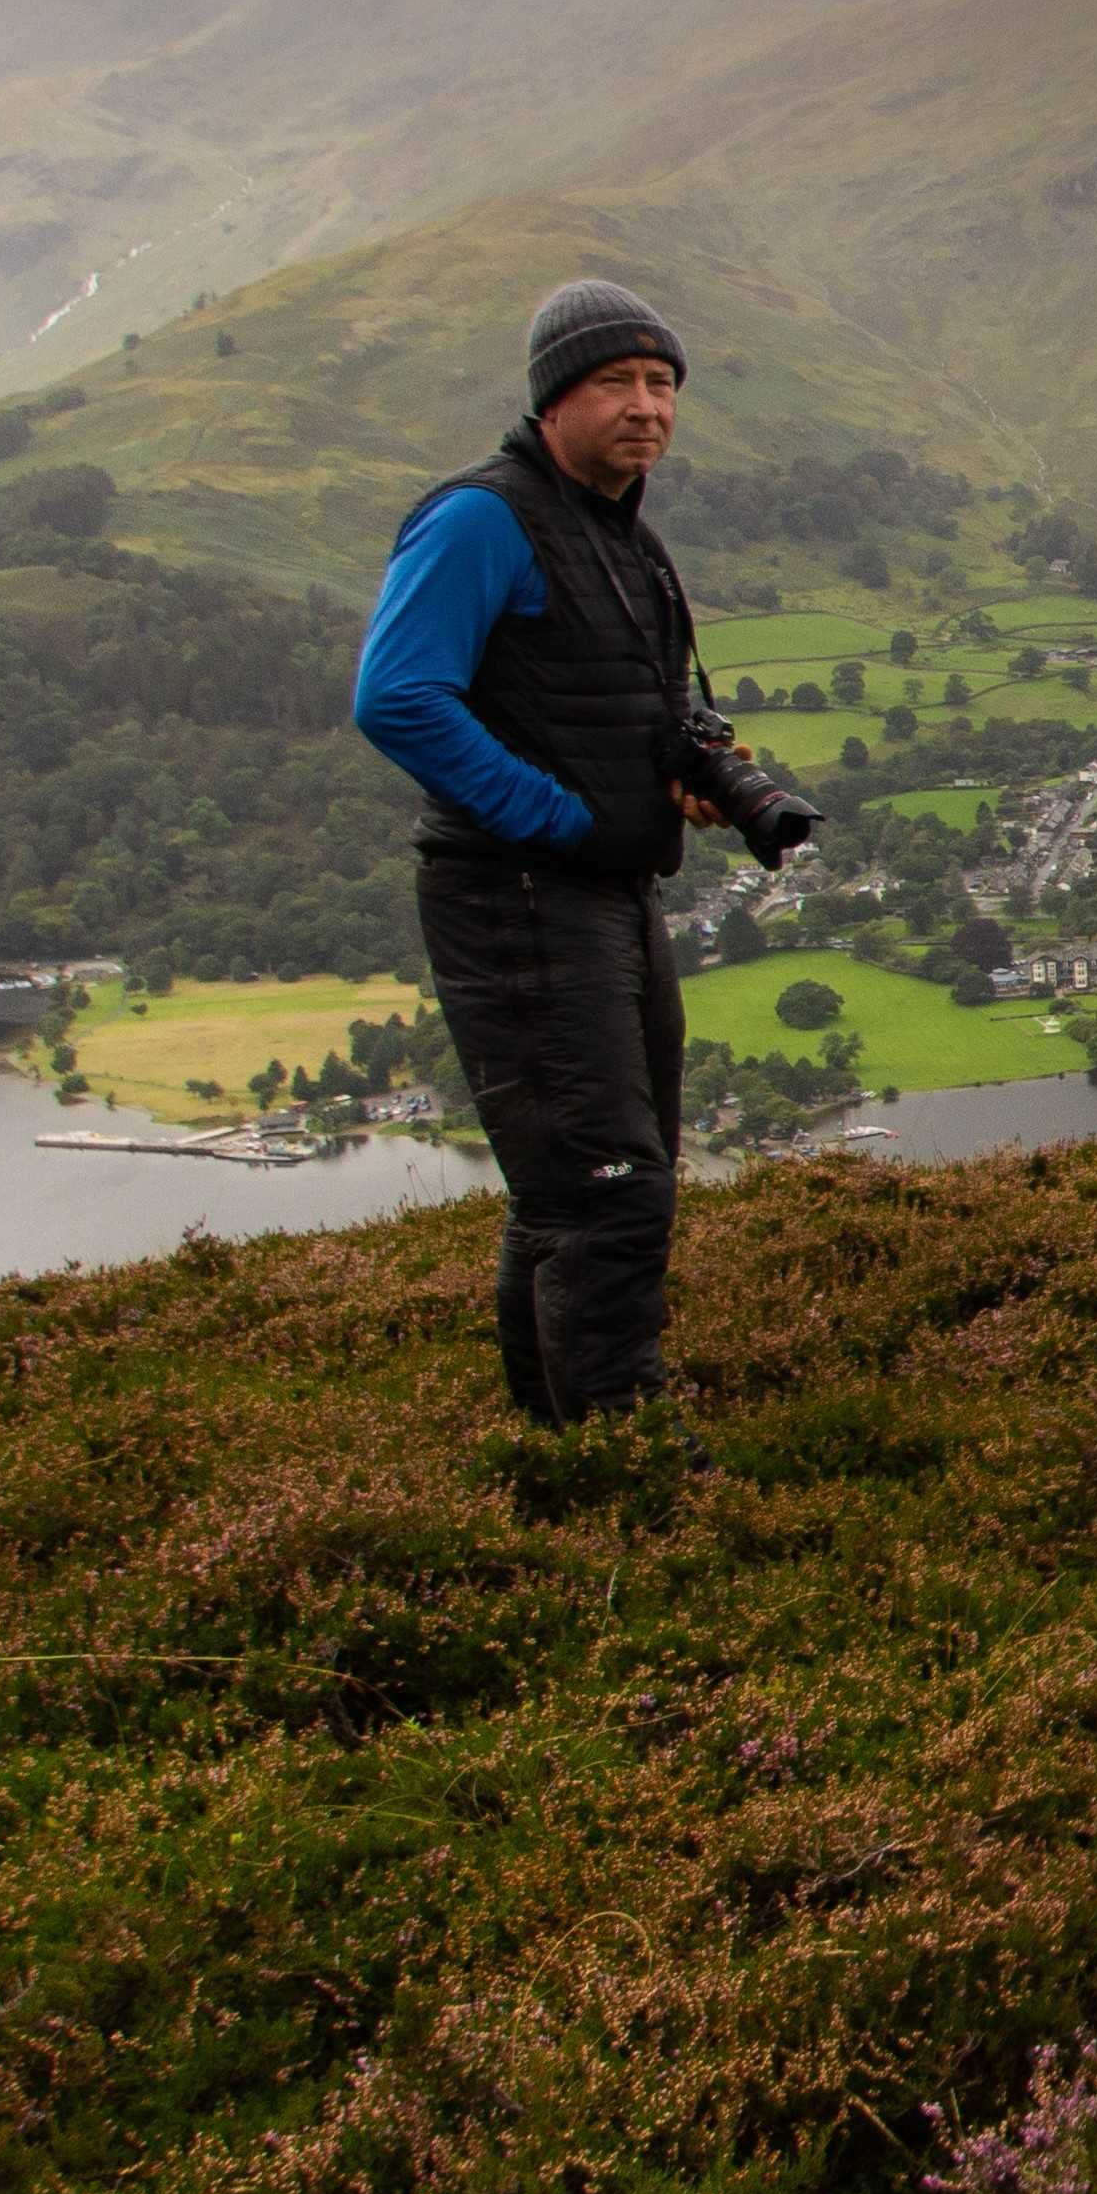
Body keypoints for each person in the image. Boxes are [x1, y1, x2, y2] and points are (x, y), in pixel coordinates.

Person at [349, 279, 732, 1423]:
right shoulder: (483, 519)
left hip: (607, 896)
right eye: (614, 381)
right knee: (611, 1193)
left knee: (584, 1186)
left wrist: (688, 770)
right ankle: (626, 1454)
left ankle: (554, 1442)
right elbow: (398, 698)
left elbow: (633, 706)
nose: (645, 405)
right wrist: (558, 818)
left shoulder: (625, 538)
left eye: (661, 383)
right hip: (517, 896)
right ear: (552, 399)